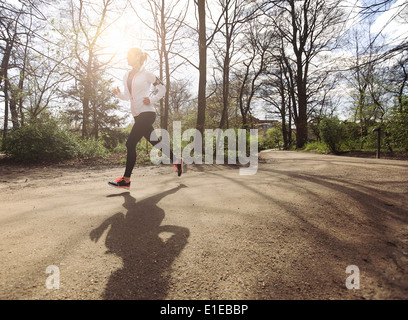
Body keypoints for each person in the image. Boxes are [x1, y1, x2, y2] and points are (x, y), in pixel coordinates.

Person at [108, 48, 182, 189]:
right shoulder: (126, 75)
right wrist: (118, 94)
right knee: (156, 143)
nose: (127, 57)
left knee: (130, 144)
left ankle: (126, 180)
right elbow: (127, 96)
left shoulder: (147, 74)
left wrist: (152, 99)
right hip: (137, 115)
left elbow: (162, 88)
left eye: (129, 55)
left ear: (137, 57)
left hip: (147, 113)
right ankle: (177, 160)